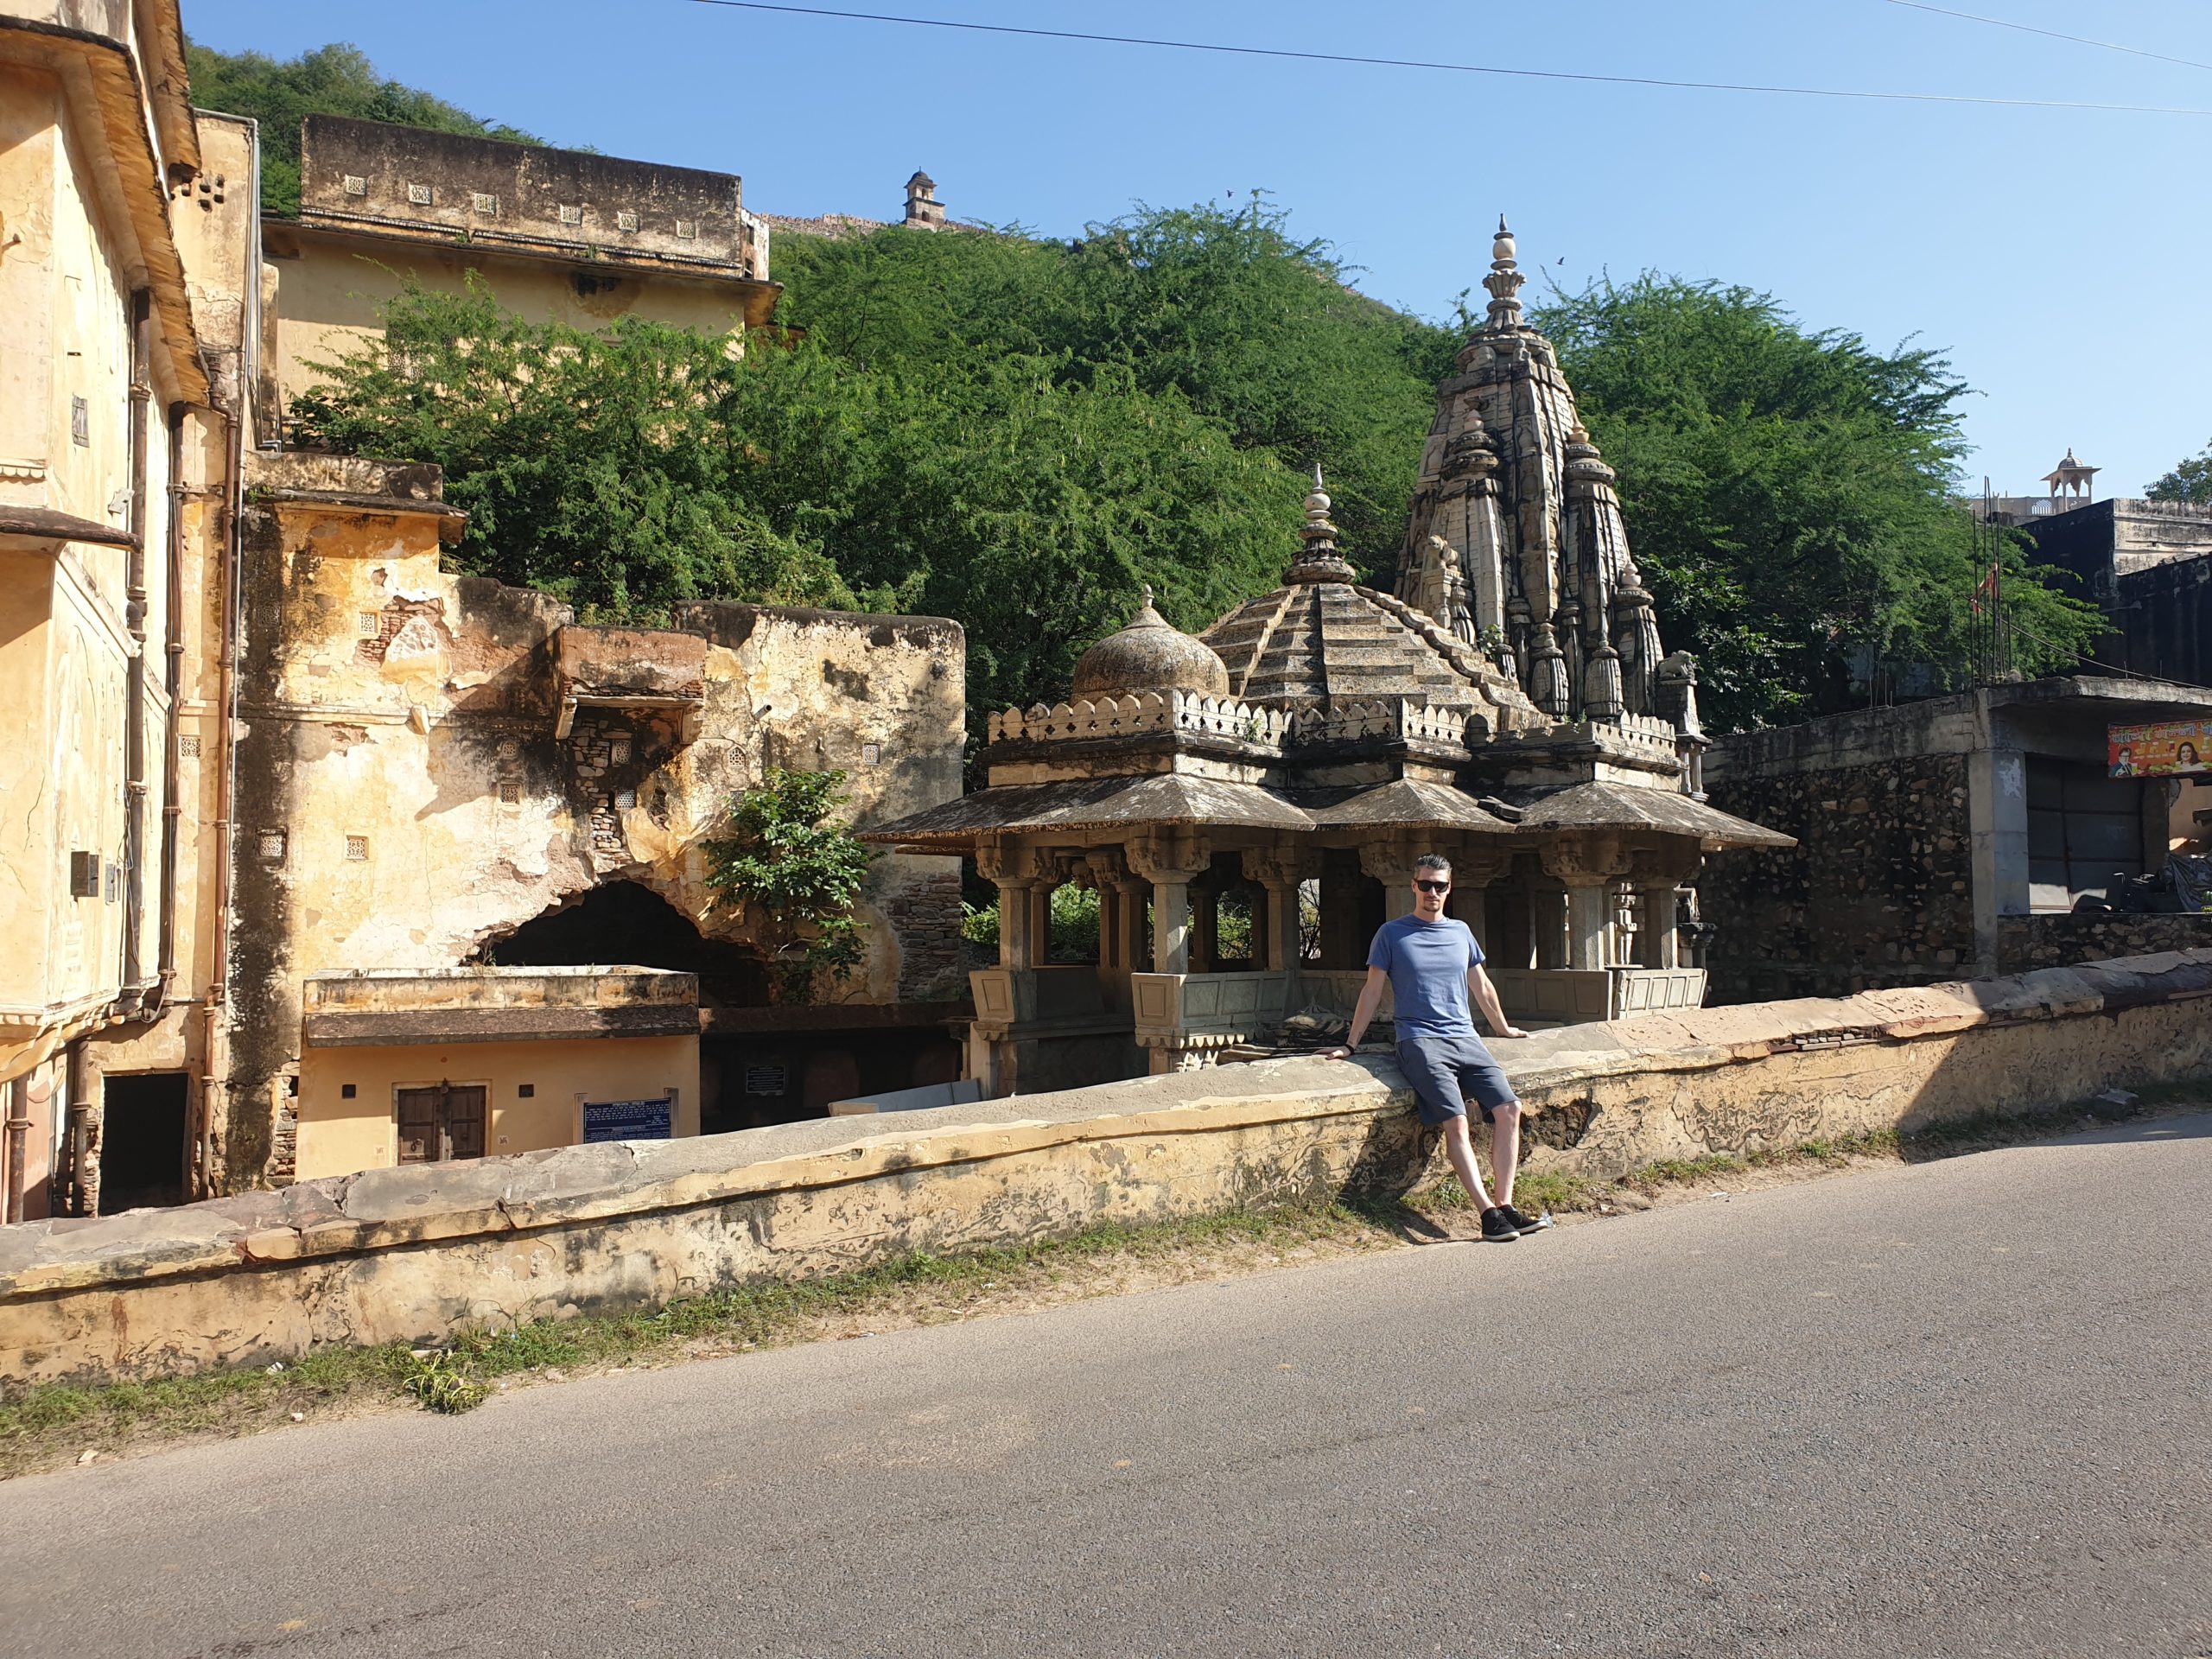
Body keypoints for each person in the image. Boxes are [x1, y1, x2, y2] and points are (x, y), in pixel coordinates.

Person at [1326, 853, 1548, 1243]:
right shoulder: (1391, 934)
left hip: (1465, 1038)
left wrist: (1503, 1028)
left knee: (1510, 1108)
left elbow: (1481, 986)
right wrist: (1349, 1044)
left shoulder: (1461, 931)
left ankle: (1507, 1204)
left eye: (1440, 885)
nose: (1432, 892)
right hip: (1419, 1041)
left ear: (1450, 888)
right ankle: (1487, 1213)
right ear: (1413, 886)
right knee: (1458, 1120)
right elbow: (1372, 991)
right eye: (1425, 884)